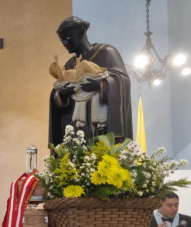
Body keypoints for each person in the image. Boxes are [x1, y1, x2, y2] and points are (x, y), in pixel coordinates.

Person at [49, 16, 133, 146]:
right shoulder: (70, 64)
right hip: (78, 128)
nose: (64, 43)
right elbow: (59, 93)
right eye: (62, 41)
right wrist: (61, 95)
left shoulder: (106, 52)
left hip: (102, 129)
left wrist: (101, 85)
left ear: (81, 32)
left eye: (67, 38)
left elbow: (122, 82)